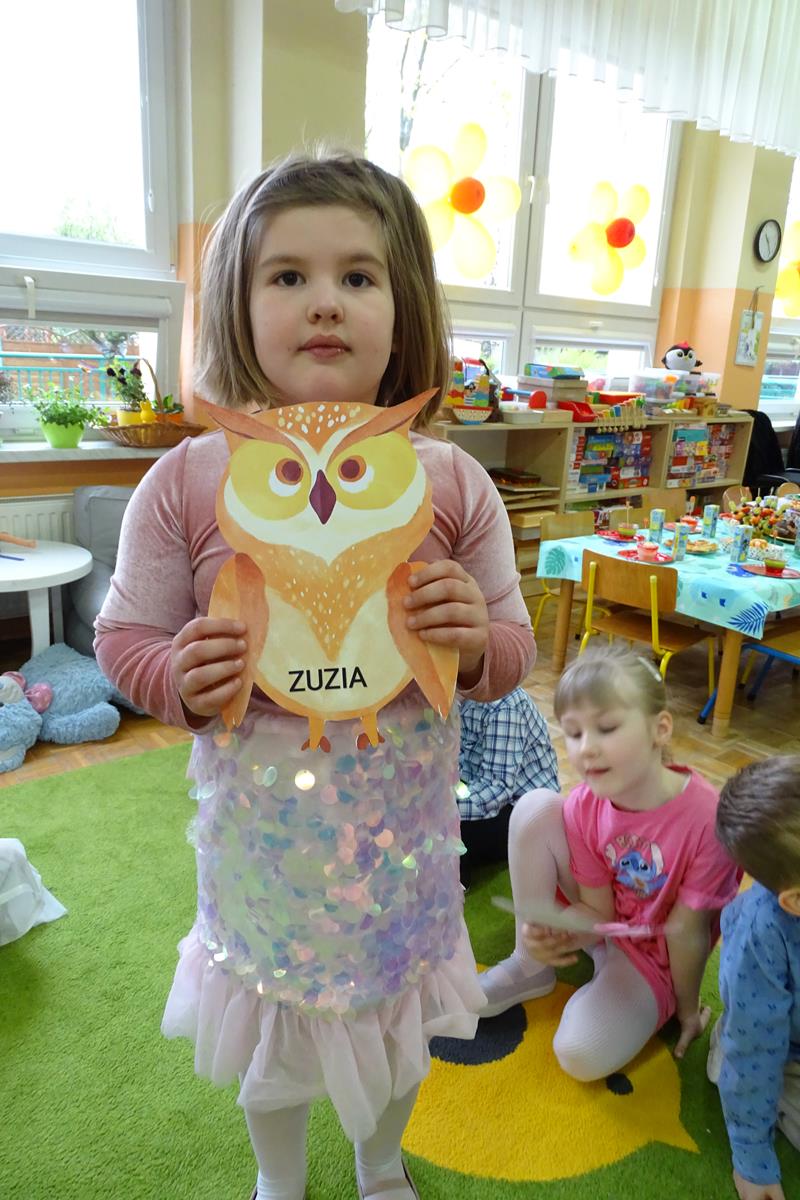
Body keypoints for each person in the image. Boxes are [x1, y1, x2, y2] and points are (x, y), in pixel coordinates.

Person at [94, 150, 535, 1200]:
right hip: (264, 860)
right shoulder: (187, 481)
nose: (324, 301)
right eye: (287, 275)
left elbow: (514, 648)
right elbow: (123, 637)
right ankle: (278, 1181)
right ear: (237, 305)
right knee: (272, 1045)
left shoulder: (450, 481)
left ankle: (380, 1168)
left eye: (358, 275)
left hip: (401, 856)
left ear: (404, 303)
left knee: (400, 1035)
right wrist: (177, 675)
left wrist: (476, 639)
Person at [479, 645, 741, 1082]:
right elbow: (597, 910)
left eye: (607, 728)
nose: (586, 749)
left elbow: (688, 933)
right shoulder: (586, 803)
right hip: (608, 924)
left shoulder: (706, 821)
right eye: (574, 733)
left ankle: (615, 982)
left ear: (659, 729)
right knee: (536, 808)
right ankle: (531, 967)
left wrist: (688, 1010)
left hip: (653, 953)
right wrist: (549, 935)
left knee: (578, 1055)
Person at [709, 755, 800, 1200]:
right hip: (779, 1051)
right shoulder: (760, 938)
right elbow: (756, 1048)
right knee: (745, 1054)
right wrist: (751, 1156)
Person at [457, 687, 558, 887]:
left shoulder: (504, 704)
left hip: (524, 812)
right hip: (483, 788)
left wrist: (443, 812)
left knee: (447, 834)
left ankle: (456, 884)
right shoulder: (453, 700)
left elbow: (497, 789)